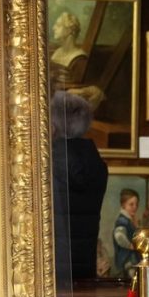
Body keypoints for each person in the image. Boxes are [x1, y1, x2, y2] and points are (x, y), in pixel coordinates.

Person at [50, 91, 109, 280]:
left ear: (53, 124)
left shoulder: (48, 162)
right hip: (85, 264)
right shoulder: (97, 165)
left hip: (52, 269)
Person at [49, 11, 104, 109]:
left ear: (70, 30)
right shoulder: (56, 52)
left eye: (58, 25)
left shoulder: (79, 58)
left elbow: (74, 87)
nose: (54, 28)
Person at [111, 188, 142, 278]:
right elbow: (119, 236)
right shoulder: (122, 220)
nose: (135, 207)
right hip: (127, 259)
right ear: (123, 205)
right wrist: (130, 245)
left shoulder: (130, 220)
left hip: (132, 257)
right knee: (132, 278)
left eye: (136, 204)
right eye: (131, 204)